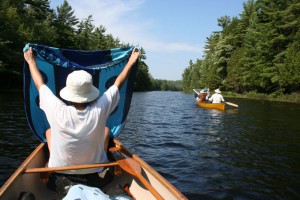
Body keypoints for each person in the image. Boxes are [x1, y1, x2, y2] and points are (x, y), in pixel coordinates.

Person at [24, 47, 140, 190]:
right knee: (105, 131)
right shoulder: (100, 108)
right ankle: (106, 159)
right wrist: (130, 62)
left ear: (69, 93)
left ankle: (49, 163)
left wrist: (30, 61)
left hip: (59, 179)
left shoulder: (56, 109)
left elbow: (39, 84)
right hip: (97, 178)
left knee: (49, 132)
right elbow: (118, 83)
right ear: (90, 92)